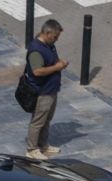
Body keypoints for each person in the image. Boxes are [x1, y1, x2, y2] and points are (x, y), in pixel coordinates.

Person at [21, 19, 67, 160]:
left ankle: (43, 145)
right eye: (55, 37)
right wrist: (57, 67)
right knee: (38, 120)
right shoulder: (36, 50)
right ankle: (32, 149)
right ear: (47, 33)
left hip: (51, 89)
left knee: (47, 119)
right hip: (42, 91)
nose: (56, 40)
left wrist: (59, 63)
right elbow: (37, 71)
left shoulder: (49, 45)